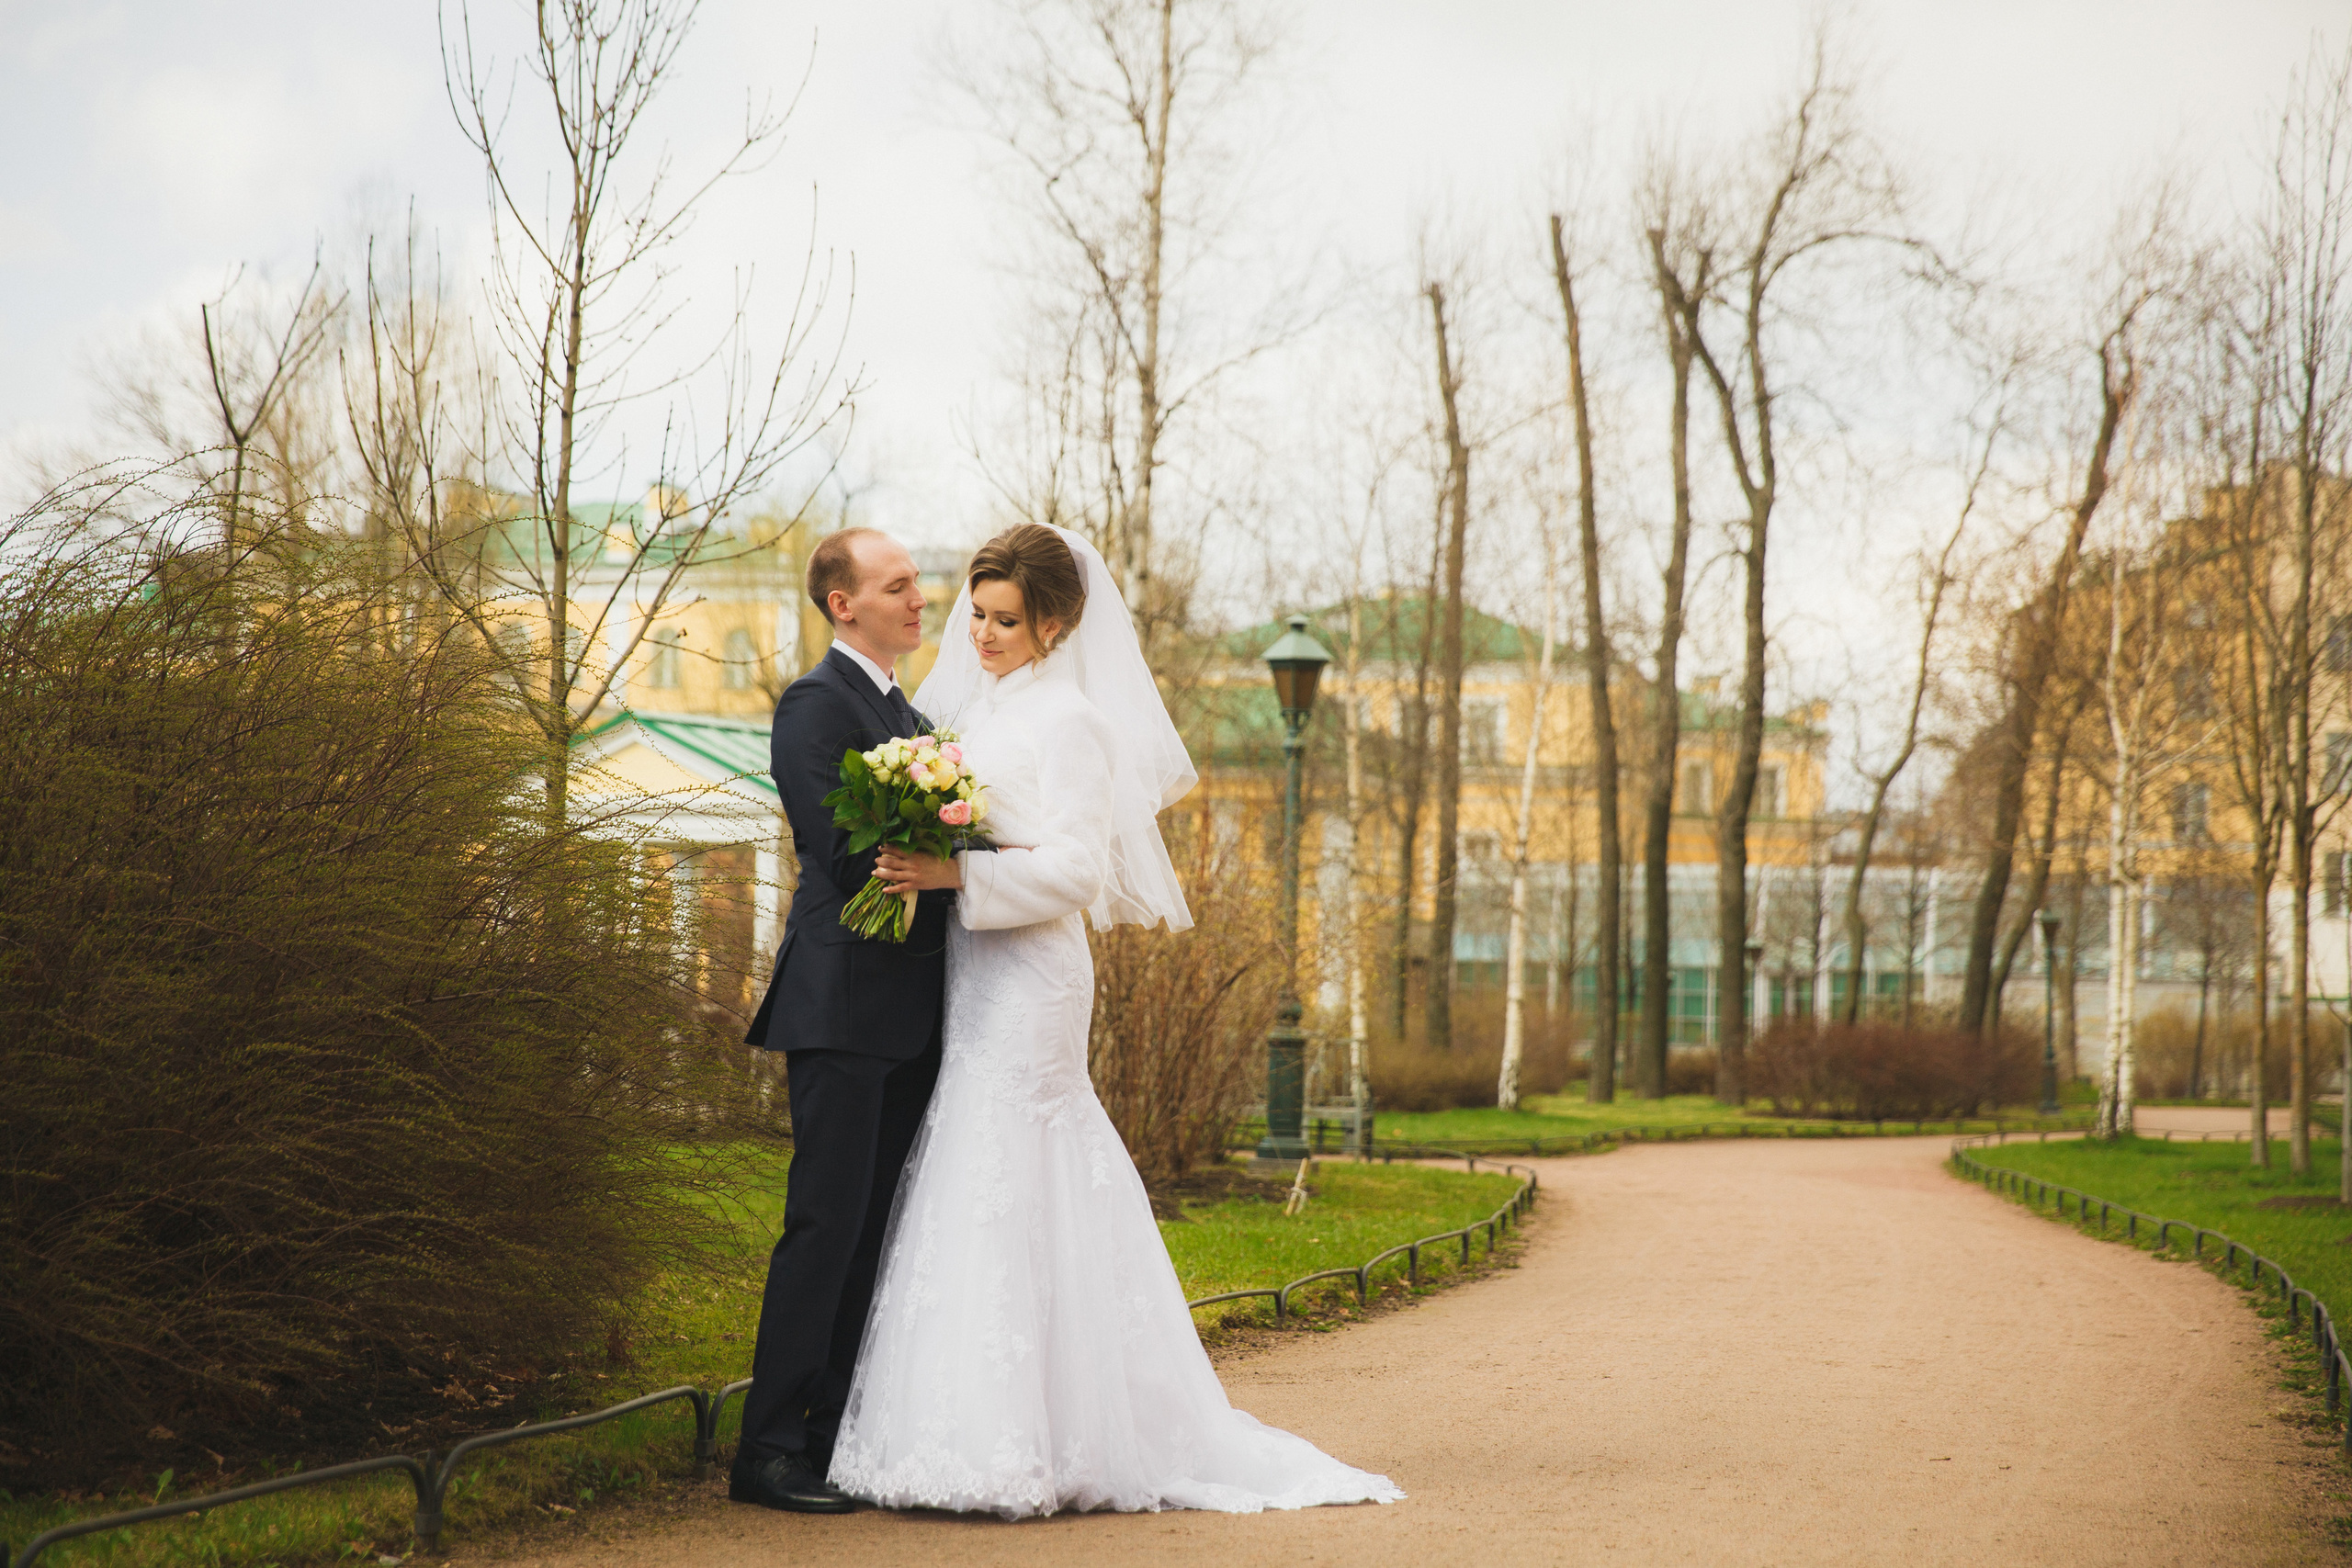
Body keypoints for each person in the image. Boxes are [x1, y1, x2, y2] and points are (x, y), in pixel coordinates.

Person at [832, 523, 1403, 1517]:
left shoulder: (1073, 725)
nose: (983, 634)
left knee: (1018, 1157)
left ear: (1055, 622)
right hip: (973, 969)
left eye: (1006, 619)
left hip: (1035, 978)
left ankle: (1045, 1440)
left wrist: (952, 870)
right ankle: (955, 1428)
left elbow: (1078, 871)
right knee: (971, 1161)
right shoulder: (972, 713)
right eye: (975, 614)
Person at [731, 528, 947, 1515]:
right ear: (841, 603)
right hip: (840, 1004)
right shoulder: (817, 708)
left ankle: (830, 1438)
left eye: (915, 585)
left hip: (909, 1010)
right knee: (823, 1228)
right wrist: (947, 859)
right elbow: (845, 850)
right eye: (897, 586)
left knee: (872, 1236)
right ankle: (765, 1452)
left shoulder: (914, 714)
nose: (919, 598)